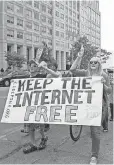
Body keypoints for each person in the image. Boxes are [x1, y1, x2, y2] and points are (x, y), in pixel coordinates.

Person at [69, 46, 111, 165]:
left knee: (95, 132)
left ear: (99, 64)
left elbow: (109, 91)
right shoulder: (86, 73)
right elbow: (72, 70)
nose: (93, 63)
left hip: (98, 106)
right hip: (85, 104)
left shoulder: (104, 75)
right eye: (91, 62)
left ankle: (94, 156)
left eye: (95, 62)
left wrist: (103, 84)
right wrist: (79, 57)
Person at [23, 60, 48, 153]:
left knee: (40, 126)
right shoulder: (25, 78)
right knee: (30, 126)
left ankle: (44, 137)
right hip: (29, 104)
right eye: (30, 65)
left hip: (39, 104)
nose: (32, 67)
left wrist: (44, 67)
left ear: (38, 68)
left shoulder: (41, 76)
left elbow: (55, 76)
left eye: (34, 66)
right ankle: (33, 144)